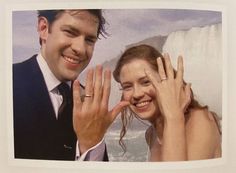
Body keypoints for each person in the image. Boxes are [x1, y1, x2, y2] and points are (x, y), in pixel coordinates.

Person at [13, 9, 129, 161]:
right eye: (70, 32)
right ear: (43, 29)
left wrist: (91, 144)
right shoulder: (8, 82)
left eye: (89, 40)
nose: (80, 49)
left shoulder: (88, 102)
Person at [113, 44, 222, 161]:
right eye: (127, 87)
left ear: (167, 82)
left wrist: (174, 118)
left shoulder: (199, 120)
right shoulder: (151, 134)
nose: (136, 94)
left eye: (146, 82)